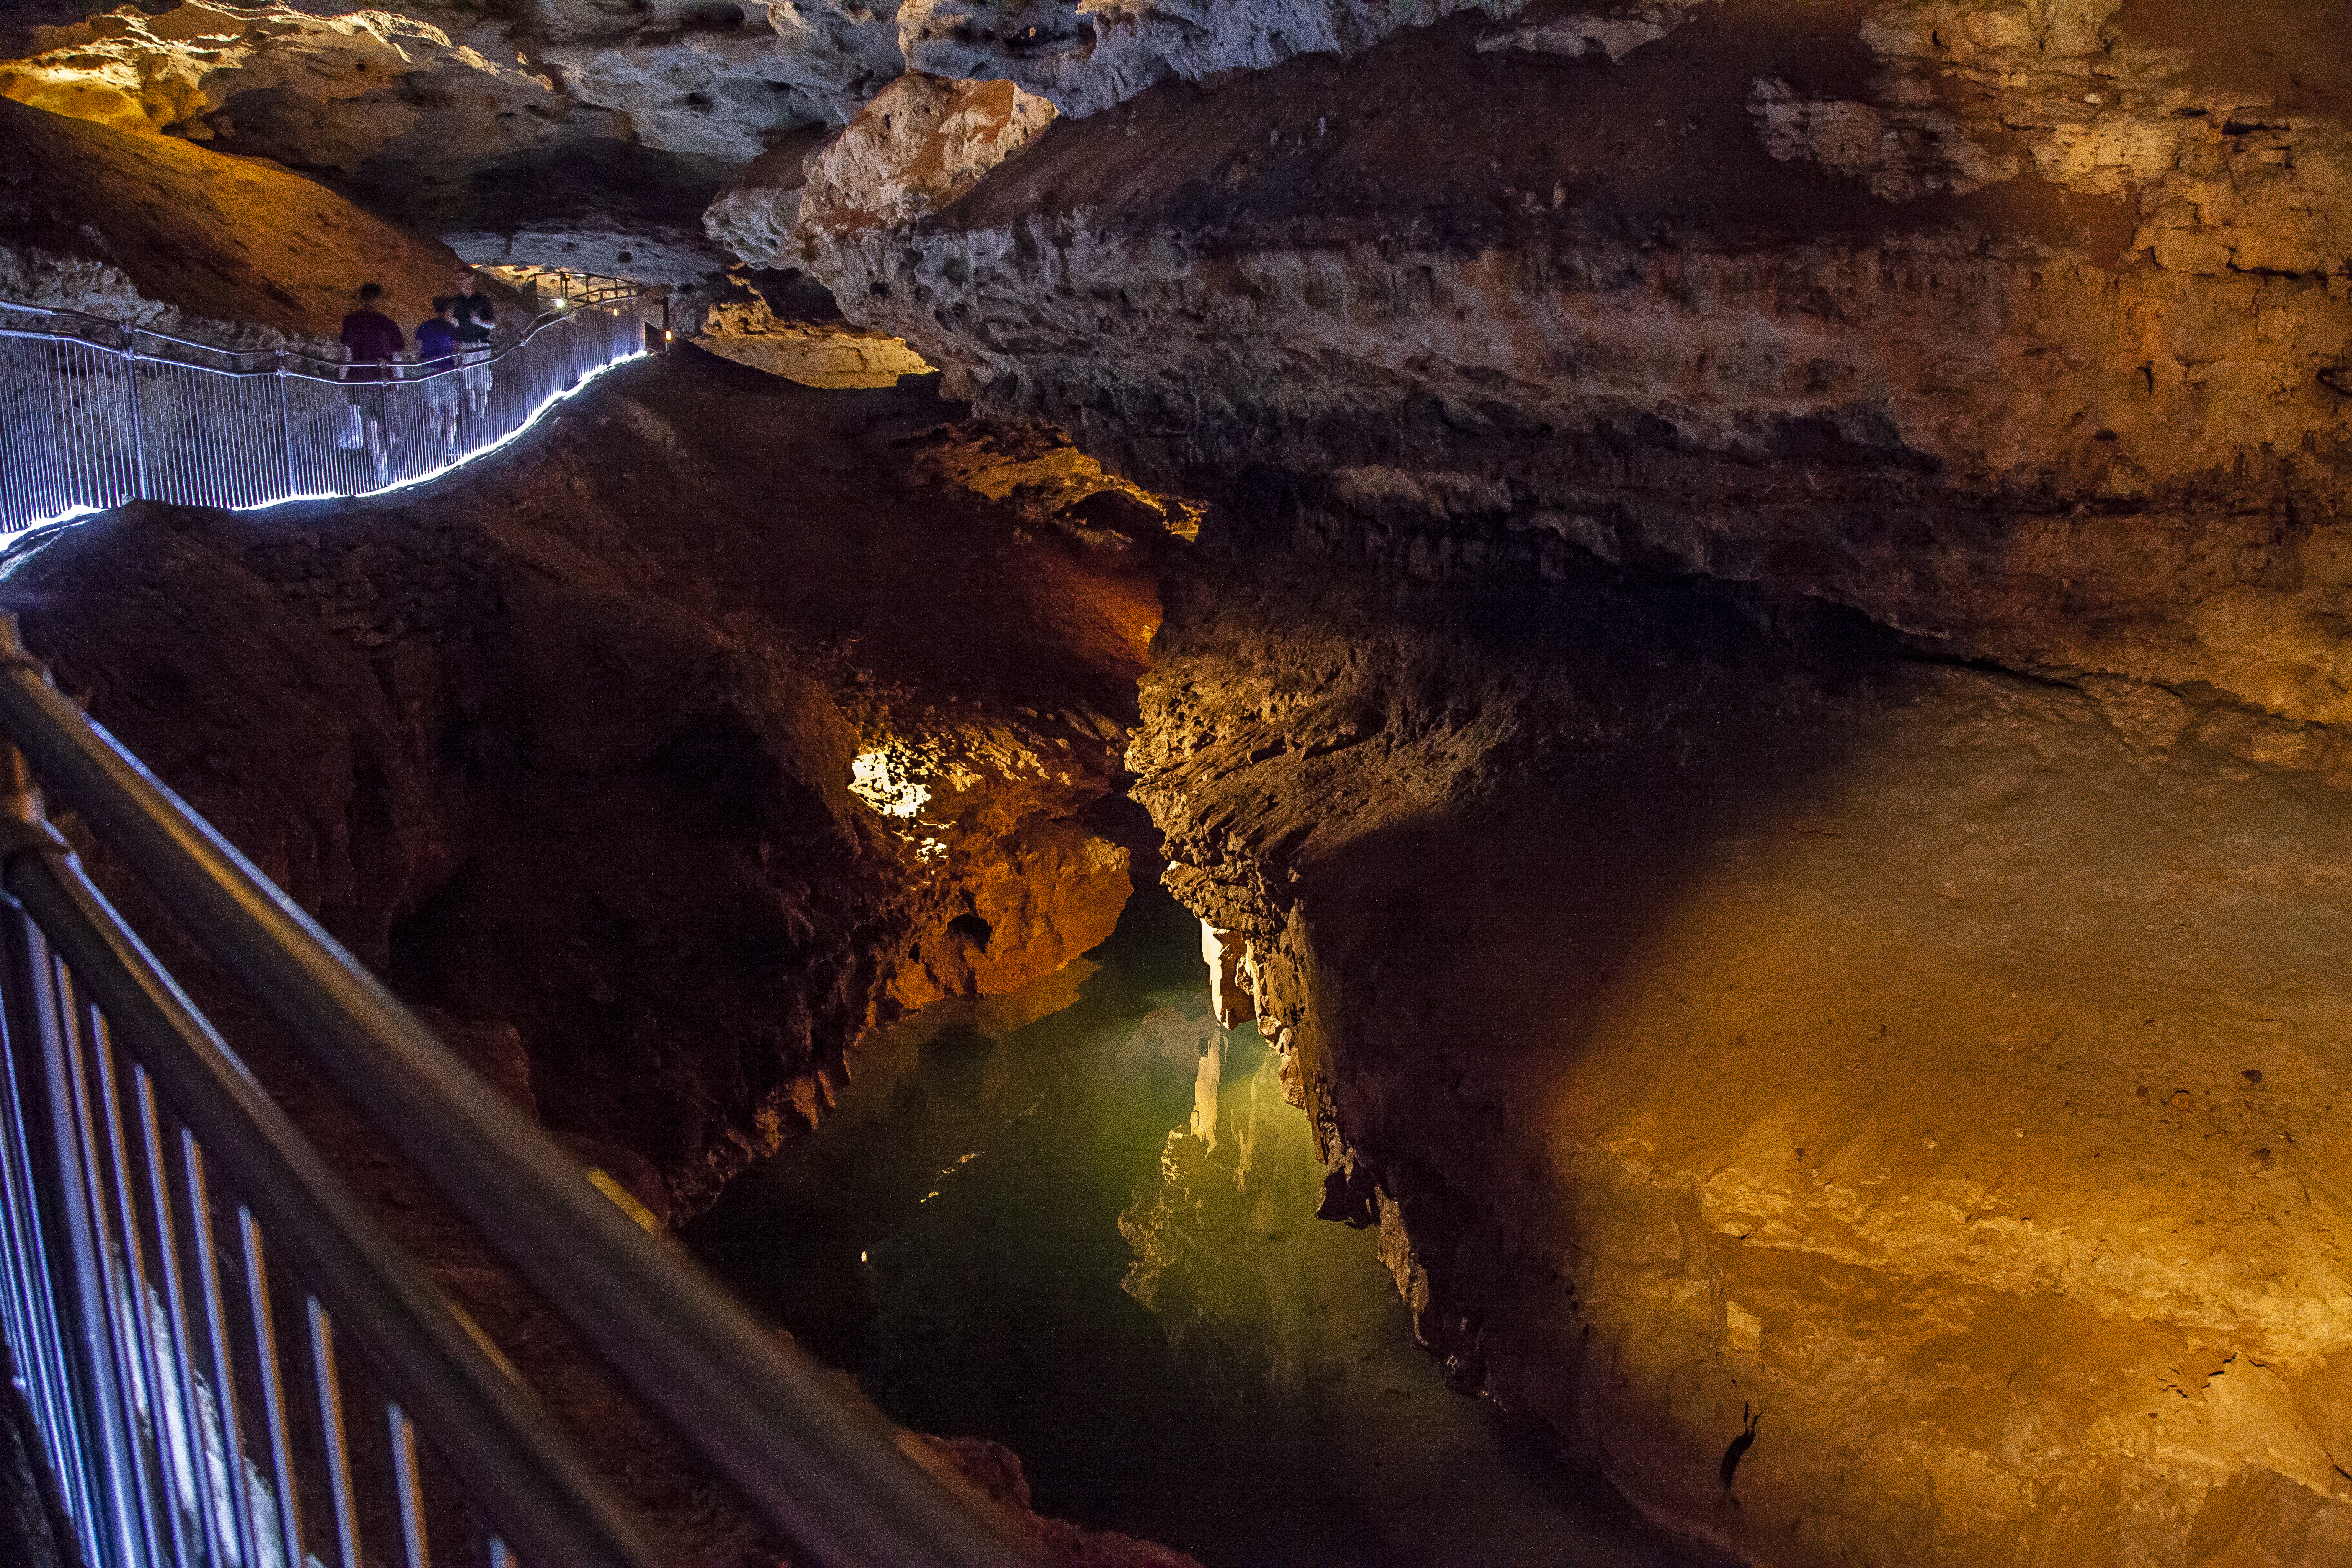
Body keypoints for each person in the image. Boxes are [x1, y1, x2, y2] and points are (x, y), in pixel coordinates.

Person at [338, 282, 404, 481]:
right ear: (380, 300)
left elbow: (347, 354)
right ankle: (384, 462)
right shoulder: (388, 323)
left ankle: (379, 467)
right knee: (393, 428)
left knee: (370, 425)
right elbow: (397, 356)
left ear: (362, 298)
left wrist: (340, 380)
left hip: (360, 380)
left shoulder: (351, 321)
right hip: (384, 381)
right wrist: (400, 380)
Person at [415, 297, 462, 456]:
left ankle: (432, 444)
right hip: (448, 371)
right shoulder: (451, 329)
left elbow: (418, 352)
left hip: (428, 372)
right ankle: (449, 446)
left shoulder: (424, 327)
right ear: (448, 310)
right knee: (451, 412)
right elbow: (457, 352)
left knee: (434, 411)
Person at [449, 267, 495, 427]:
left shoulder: (482, 300)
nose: (460, 282)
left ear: (471, 279)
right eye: (458, 279)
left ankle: (481, 415)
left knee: (481, 381)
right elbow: (454, 323)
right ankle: (473, 413)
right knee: (468, 381)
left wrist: (479, 322)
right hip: (465, 345)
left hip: (481, 344)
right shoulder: (457, 302)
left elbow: (493, 324)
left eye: (462, 278)